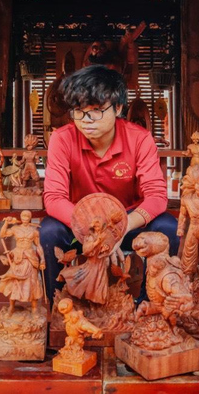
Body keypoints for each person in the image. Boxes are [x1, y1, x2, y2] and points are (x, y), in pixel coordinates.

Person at [41, 65, 179, 304]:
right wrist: (93, 231)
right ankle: (59, 305)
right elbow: (53, 198)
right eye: (78, 111)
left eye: (95, 111)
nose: (86, 121)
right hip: (82, 224)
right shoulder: (62, 138)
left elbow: (156, 196)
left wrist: (118, 229)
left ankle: (148, 303)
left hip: (127, 222)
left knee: (167, 227)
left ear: (118, 108)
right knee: (49, 230)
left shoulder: (139, 139)